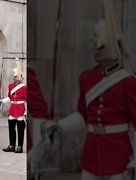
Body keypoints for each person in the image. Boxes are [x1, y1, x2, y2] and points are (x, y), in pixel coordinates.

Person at [41, 0, 135, 179]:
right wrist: (60, 125)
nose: (95, 50)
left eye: (100, 47)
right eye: (95, 46)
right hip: (91, 154)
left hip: (118, 155)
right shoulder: (87, 78)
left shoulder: (128, 81)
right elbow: (83, 116)